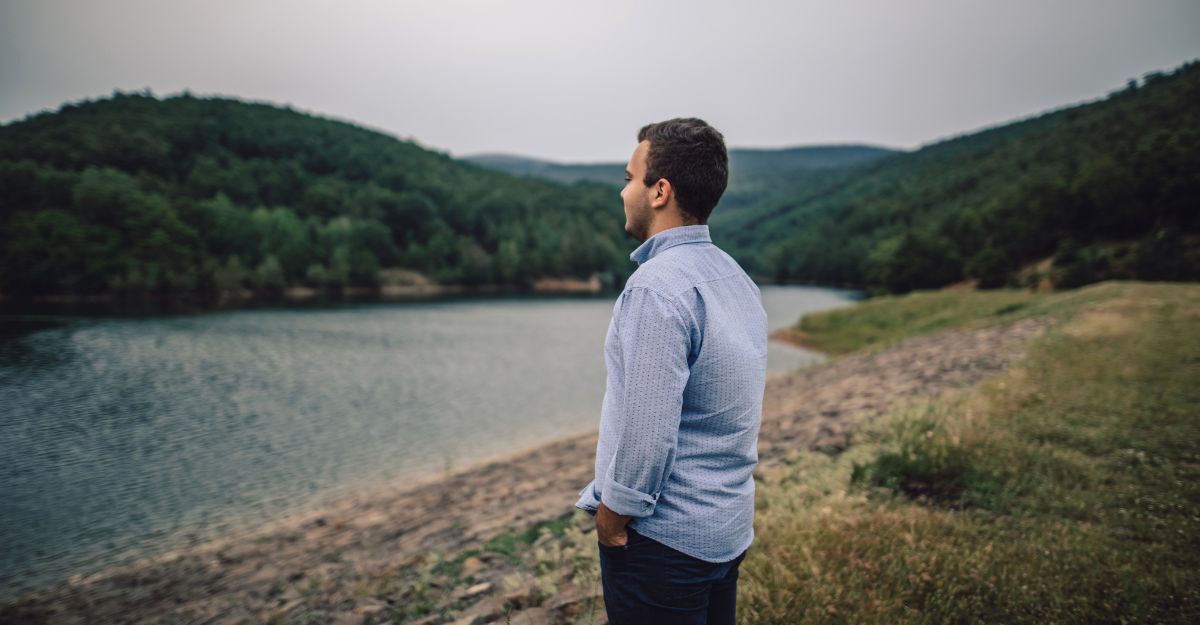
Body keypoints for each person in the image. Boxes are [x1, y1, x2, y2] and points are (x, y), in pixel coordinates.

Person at [574, 118, 768, 624]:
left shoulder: (655, 289)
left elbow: (647, 430)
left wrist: (614, 517)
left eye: (628, 178)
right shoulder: (735, 277)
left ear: (660, 191)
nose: (622, 192)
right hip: (725, 530)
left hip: (664, 546)